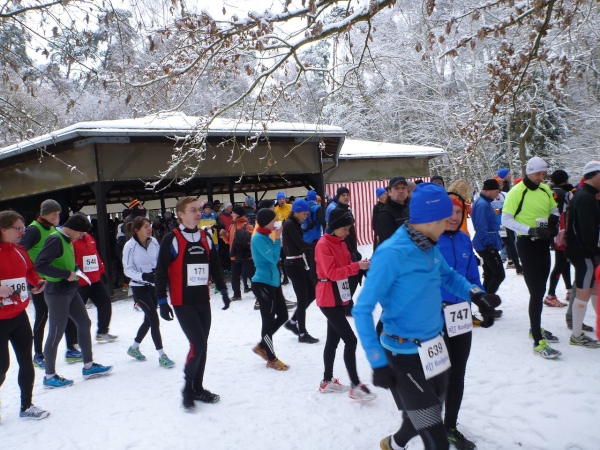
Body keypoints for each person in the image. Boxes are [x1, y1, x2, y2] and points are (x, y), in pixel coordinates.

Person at [353, 183, 500, 450]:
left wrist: (477, 295)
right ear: (430, 219)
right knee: (435, 436)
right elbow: (362, 309)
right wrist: (377, 362)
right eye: (445, 219)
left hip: (435, 347)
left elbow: (448, 276)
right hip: (404, 353)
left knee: (426, 411)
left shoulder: (428, 245)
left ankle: (393, 444)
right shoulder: (392, 253)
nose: (449, 224)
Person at [155, 197, 230, 411]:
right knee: (197, 344)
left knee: (202, 345)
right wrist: (162, 301)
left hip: (202, 300)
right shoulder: (172, 239)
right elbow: (160, 272)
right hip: (182, 302)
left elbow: (215, 266)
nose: (198, 213)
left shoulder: (205, 237)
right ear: (180, 214)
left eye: (199, 209)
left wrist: (223, 290)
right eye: (193, 210)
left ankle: (198, 387)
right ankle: (187, 389)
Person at [34, 214, 113, 388]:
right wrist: (65, 274)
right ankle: (49, 376)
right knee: (56, 332)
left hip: (70, 289)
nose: (81, 237)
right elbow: (40, 265)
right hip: (57, 292)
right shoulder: (55, 239)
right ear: (73, 228)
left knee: (84, 323)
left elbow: (62, 261)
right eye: (80, 233)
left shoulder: (66, 238)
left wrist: (74, 269)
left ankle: (88, 366)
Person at [438, 194, 486, 450]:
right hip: (433, 318)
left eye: (459, 212)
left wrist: (483, 300)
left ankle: (450, 426)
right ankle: (429, 424)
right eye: (450, 211)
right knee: (435, 373)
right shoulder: (429, 241)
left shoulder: (465, 239)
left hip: (460, 314)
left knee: (457, 373)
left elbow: (472, 278)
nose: (454, 217)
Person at [502, 156, 562, 359]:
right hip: (527, 244)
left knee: (541, 289)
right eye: (538, 173)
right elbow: (506, 219)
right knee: (536, 292)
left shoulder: (545, 190)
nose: (541, 177)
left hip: (543, 244)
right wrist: (530, 230)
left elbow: (553, 210)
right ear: (529, 172)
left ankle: (535, 327)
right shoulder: (516, 192)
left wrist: (551, 227)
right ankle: (537, 340)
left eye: (544, 173)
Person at [315, 208, 375, 401]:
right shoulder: (323, 245)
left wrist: (363, 265)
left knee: (333, 340)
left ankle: (327, 381)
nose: (348, 232)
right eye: (345, 229)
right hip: (328, 299)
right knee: (351, 340)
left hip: (340, 297)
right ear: (334, 227)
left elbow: (349, 265)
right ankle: (355, 386)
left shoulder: (341, 242)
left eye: (349, 229)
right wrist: (356, 266)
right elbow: (332, 273)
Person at [0, 210, 49, 420]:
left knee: (26, 362)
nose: (22, 232)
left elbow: (29, 271)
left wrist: (36, 282)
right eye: (18, 228)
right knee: (2, 366)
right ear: (3, 229)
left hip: (19, 316)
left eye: (23, 228)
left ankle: (26, 405)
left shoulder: (20, 250)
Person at [19, 199, 80, 368]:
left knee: (65, 312)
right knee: (43, 315)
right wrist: (31, 278)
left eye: (58, 215)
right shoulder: (34, 229)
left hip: (57, 279)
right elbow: (20, 252)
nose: (56, 218)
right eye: (53, 214)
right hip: (40, 281)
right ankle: (38, 354)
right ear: (44, 214)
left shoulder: (53, 229)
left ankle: (71, 347)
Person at [122, 216, 176, 367]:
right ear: (137, 230)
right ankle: (162, 355)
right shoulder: (129, 246)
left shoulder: (154, 242)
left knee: (148, 319)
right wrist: (143, 276)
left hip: (153, 285)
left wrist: (159, 273)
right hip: (139, 288)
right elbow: (127, 270)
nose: (149, 228)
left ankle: (134, 348)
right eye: (145, 226)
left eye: (149, 225)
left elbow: (160, 260)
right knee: (153, 318)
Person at [564, 161, 600, 348]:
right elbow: (585, 230)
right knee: (584, 292)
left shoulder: (585, 194)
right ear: (595, 175)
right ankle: (576, 335)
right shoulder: (585, 197)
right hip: (583, 252)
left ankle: (593, 326)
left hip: (584, 250)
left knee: (594, 289)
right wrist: (594, 250)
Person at [250, 208, 290, 370]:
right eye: (273, 220)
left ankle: (262, 346)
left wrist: (276, 239)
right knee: (268, 321)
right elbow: (273, 258)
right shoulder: (258, 238)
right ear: (266, 222)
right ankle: (271, 358)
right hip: (262, 283)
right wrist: (278, 239)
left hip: (273, 282)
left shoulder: (266, 235)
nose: (276, 223)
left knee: (283, 315)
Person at [72, 221, 118, 343]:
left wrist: (102, 271)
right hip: (80, 282)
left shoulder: (89, 237)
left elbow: (95, 255)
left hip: (94, 279)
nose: (84, 231)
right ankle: (74, 339)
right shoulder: (72, 240)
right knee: (77, 310)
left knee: (105, 303)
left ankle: (102, 331)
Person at [282, 199, 319, 343]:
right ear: (296, 211)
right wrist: (317, 245)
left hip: (298, 263)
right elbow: (300, 244)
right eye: (304, 213)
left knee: (312, 293)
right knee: (303, 299)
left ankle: (292, 322)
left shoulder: (295, 223)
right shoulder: (290, 224)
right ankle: (302, 333)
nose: (306, 216)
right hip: (293, 265)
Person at [328, 186, 361, 315]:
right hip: (344, 249)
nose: (346, 197)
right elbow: (333, 232)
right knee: (350, 276)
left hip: (351, 247)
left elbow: (351, 233)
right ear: (338, 197)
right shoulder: (336, 212)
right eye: (343, 195)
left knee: (354, 275)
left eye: (347, 194)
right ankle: (346, 304)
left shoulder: (348, 211)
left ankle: (347, 304)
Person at [545, 169, 574, 307]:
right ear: (565, 180)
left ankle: (569, 290)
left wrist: (544, 230)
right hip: (564, 231)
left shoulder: (546, 192)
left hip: (552, 231)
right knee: (561, 263)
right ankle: (550, 295)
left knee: (564, 262)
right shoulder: (568, 194)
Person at [472, 179, 505, 296]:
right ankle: (488, 301)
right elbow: (481, 226)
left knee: (490, 274)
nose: (497, 195)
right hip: (485, 244)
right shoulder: (482, 204)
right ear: (489, 190)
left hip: (487, 241)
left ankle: (484, 301)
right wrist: (488, 244)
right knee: (499, 274)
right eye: (496, 192)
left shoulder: (484, 202)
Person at [220, 205, 255, 301]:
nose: (231, 214)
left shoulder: (247, 225)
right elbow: (228, 241)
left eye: (233, 213)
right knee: (235, 276)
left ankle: (258, 293)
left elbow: (251, 238)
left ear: (238, 214)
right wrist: (224, 236)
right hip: (235, 254)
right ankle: (236, 294)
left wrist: (241, 238)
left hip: (246, 254)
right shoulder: (232, 225)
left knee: (252, 275)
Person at [378, 176, 410, 243]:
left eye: (403, 188)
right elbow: (391, 242)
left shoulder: (411, 210)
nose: (401, 191)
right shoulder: (386, 214)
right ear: (389, 192)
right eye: (396, 188)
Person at [275, 192, 292, 285]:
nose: (282, 200)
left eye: (283, 199)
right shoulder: (275, 210)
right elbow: (274, 223)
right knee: (283, 257)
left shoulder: (290, 207)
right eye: (280, 199)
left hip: (290, 236)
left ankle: (292, 275)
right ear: (277, 200)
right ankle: (285, 277)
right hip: (281, 237)